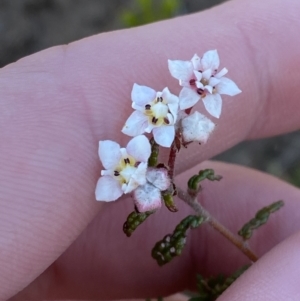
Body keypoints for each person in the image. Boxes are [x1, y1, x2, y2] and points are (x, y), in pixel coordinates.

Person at [1, 0, 300, 299]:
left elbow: (162, 132)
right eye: (201, 81)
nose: (203, 82)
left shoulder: (172, 117)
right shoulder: (151, 134)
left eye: (206, 81)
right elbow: (151, 141)